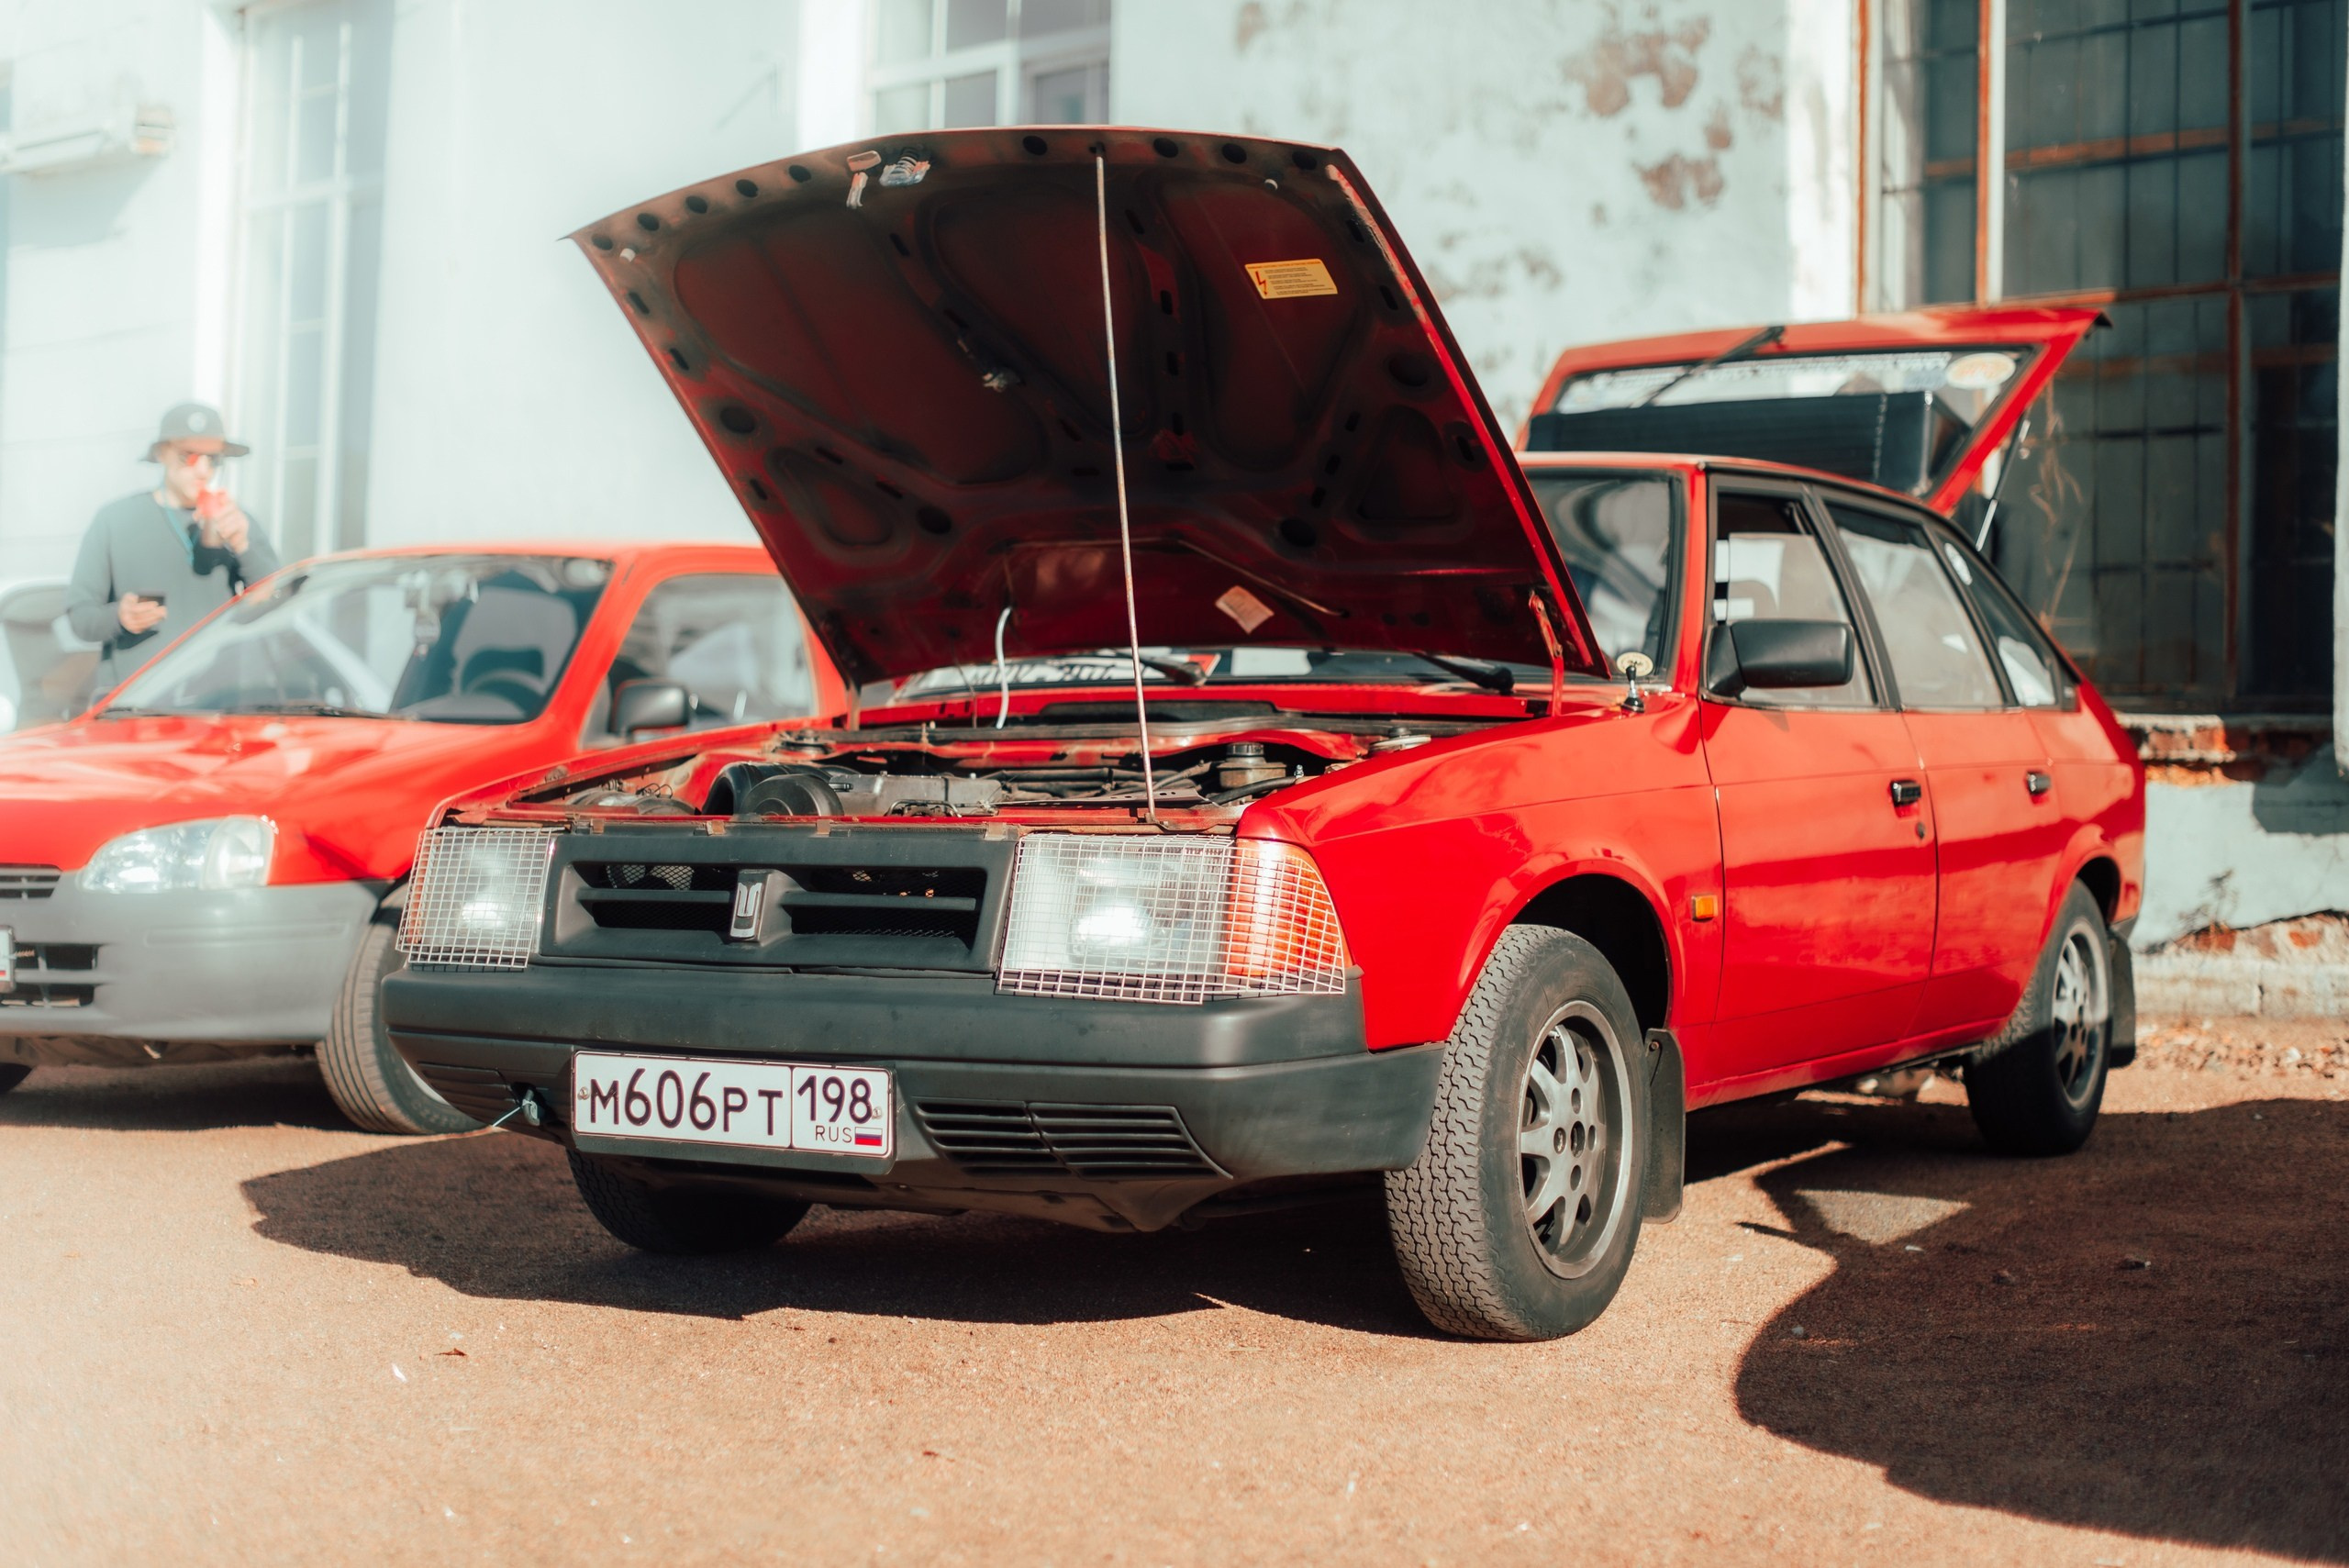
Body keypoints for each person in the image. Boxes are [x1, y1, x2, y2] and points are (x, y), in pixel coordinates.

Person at [65, 402, 281, 691]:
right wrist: (119, 617)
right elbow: (80, 618)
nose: (203, 470)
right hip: (135, 699)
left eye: (213, 459)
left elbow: (273, 605)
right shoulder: (115, 520)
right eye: (188, 456)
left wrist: (244, 544)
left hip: (216, 696)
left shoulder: (235, 520)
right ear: (161, 454)